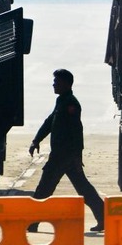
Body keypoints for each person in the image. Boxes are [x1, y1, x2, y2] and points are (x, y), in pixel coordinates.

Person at [28, 69, 105, 233]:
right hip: (63, 156)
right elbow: (50, 122)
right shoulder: (61, 101)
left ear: (66, 83)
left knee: (43, 189)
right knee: (83, 189)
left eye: (56, 81)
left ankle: (32, 223)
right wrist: (36, 139)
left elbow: (77, 131)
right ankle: (104, 218)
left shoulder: (71, 104)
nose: (53, 84)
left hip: (63, 156)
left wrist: (78, 156)